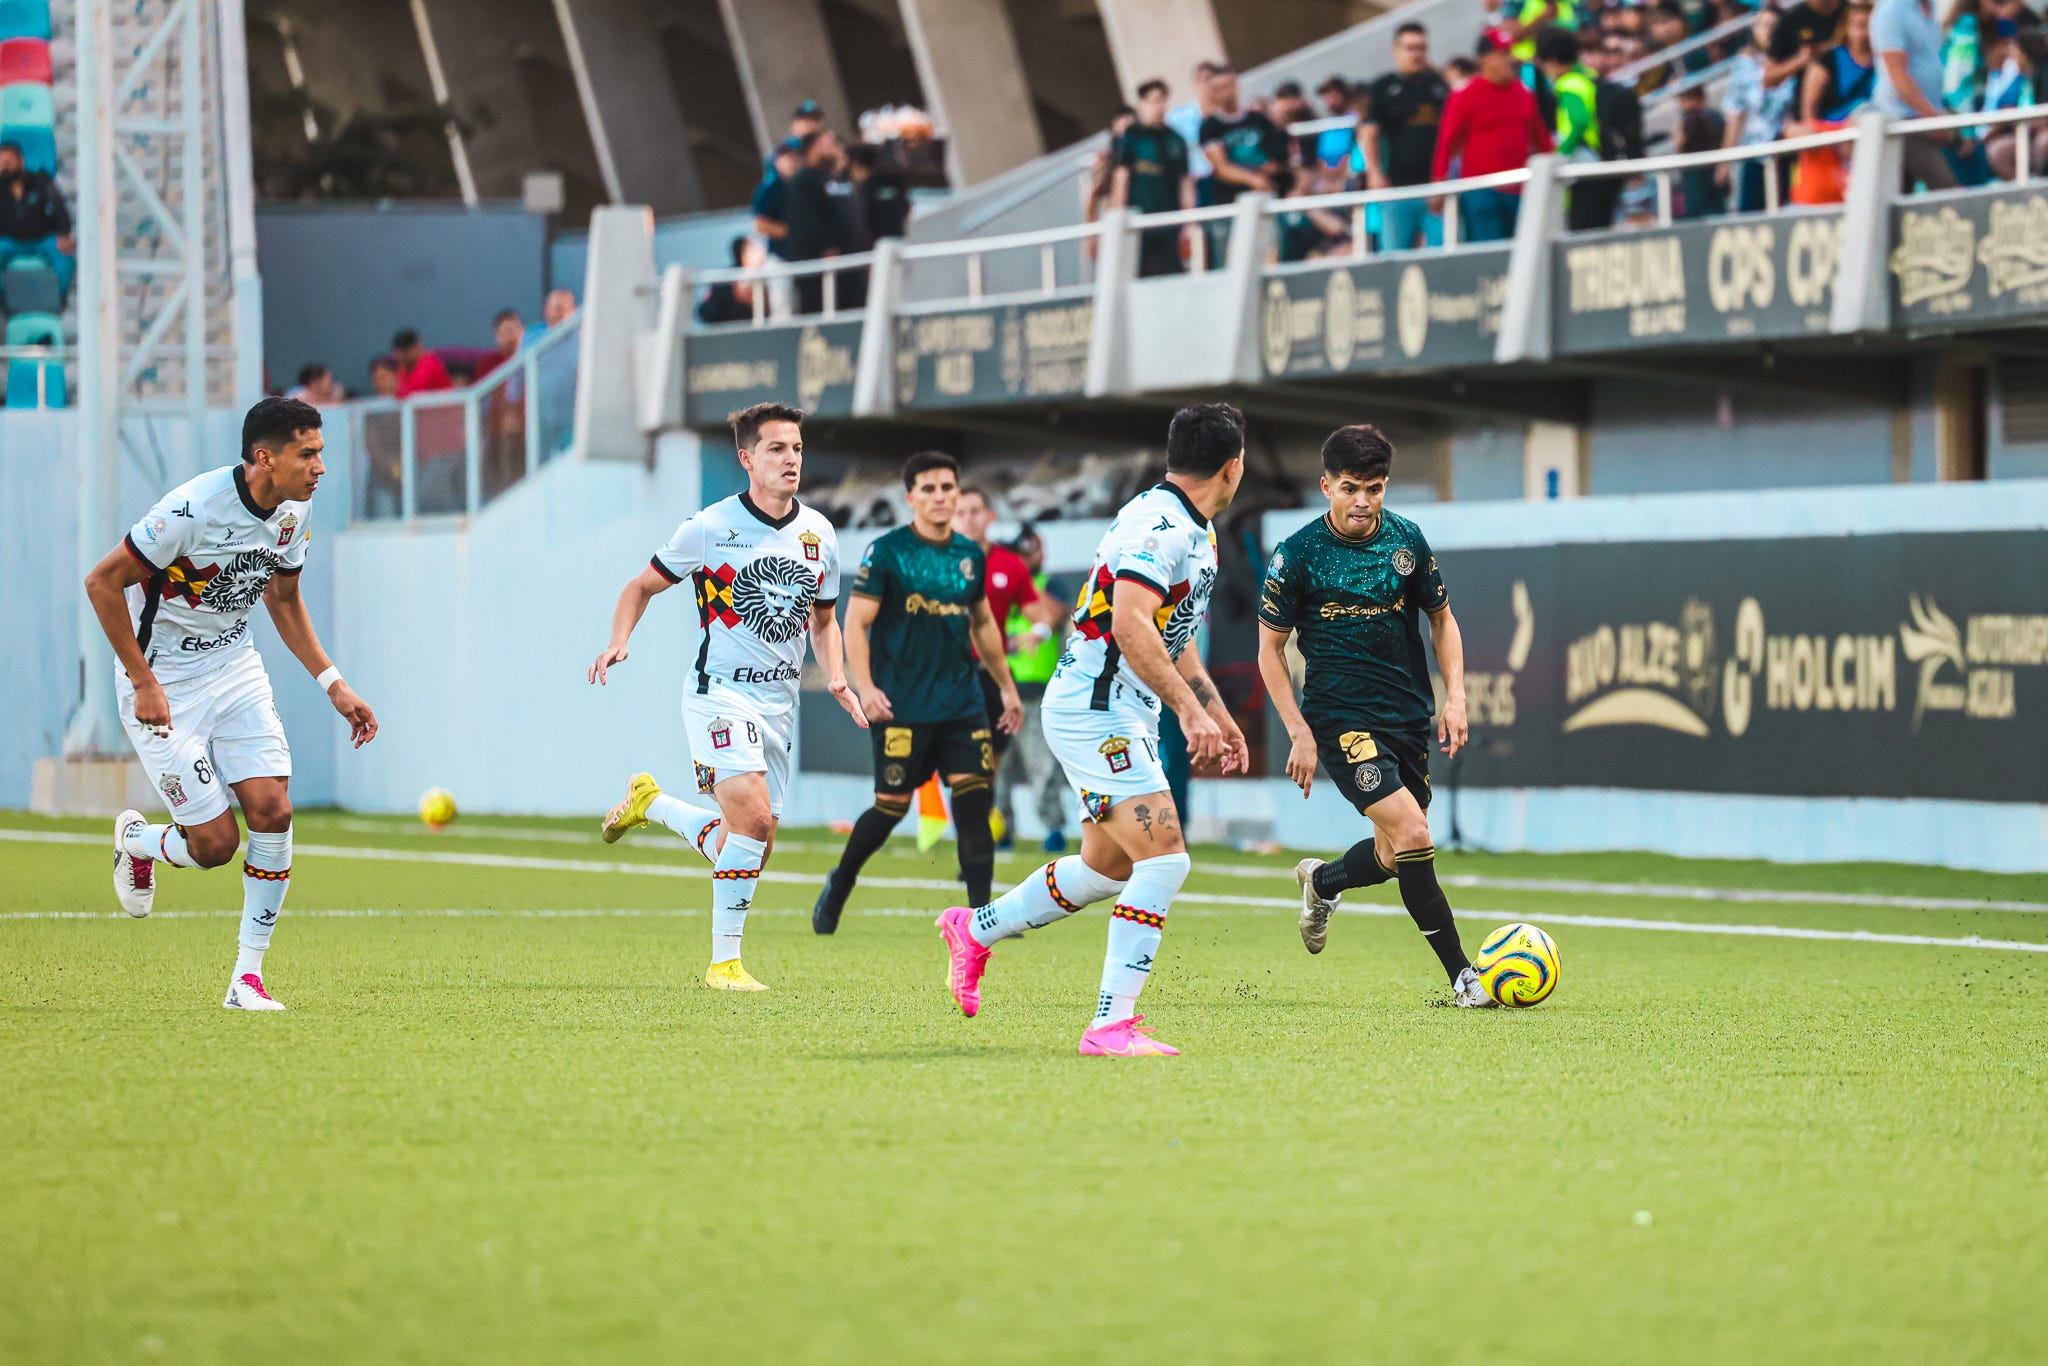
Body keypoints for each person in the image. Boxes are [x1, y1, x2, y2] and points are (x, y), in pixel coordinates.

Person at [936, 403, 1251, 1059]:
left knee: (1106, 868)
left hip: (1120, 708)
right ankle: (1110, 1025)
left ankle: (975, 929)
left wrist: (1214, 710)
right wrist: (1190, 715)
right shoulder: (1158, 527)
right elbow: (1132, 626)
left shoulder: (1196, 528)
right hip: (1096, 707)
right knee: (1165, 858)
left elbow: (1172, 633)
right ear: (1233, 466)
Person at [87, 398, 378, 1008]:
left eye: (321, 451)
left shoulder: (294, 512)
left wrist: (334, 684)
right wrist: (144, 682)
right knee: (215, 845)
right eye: (309, 453)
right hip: (164, 680)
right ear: (265, 458)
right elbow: (103, 582)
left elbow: (283, 599)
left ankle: (247, 977)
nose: (321, 466)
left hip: (235, 668)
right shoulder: (190, 510)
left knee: (273, 809)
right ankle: (138, 842)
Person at [591, 402, 866, 992]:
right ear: (746, 459)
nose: (790, 459)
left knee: (748, 844)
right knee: (754, 818)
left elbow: (824, 620)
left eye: (796, 448)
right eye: (776, 449)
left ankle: (652, 804)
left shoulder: (819, 533)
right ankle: (724, 965)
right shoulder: (711, 528)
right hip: (719, 694)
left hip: (780, 706)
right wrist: (618, 641)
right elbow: (642, 586)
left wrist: (837, 677)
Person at [1255, 424, 1491, 1008]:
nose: (1363, 502)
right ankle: (1463, 978)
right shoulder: (1298, 555)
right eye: (1351, 488)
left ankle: (1323, 881)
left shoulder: (1407, 541)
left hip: (1406, 716)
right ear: (1326, 486)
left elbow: (1442, 620)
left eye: (1376, 488)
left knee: (1393, 853)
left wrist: (1455, 696)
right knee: (1414, 831)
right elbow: (1269, 650)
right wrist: (1300, 732)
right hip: (1340, 720)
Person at [811, 453, 1023, 935]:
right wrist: (864, 687)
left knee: (974, 800)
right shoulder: (886, 553)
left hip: (962, 703)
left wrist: (1006, 688)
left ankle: (981, 921)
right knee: (891, 807)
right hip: (901, 702)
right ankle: (840, 882)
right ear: (911, 498)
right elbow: (857, 622)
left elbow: (984, 623)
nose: (940, 496)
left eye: (948, 487)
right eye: (928, 489)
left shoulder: (970, 556)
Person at [954, 483, 1062, 775]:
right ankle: (962, 817)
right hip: (950, 673)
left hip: (993, 674)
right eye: (960, 512)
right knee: (958, 760)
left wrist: (1039, 632)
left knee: (991, 762)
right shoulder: (935, 562)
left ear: (990, 516)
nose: (968, 519)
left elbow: (1042, 616)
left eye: (975, 511)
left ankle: (980, 816)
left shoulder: (1010, 564)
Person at [993, 528, 1071, 854]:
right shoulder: (999, 587)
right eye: (1019, 554)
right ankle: (1001, 831)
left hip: (1038, 693)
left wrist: (1019, 582)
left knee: (1043, 768)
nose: (1025, 560)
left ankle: (1053, 829)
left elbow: (1055, 615)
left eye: (1030, 553)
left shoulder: (1049, 586)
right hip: (1000, 689)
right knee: (997, 769)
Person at [1431, 34, 1553, 242]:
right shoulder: (1465, 95)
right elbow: (1447, 141)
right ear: (1484, 58)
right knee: (1488, 254)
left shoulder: (1524, 93)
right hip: (1480, 190)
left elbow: (1541, 140)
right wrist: (1439, 183)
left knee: (1520, 251)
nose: (1510, 59)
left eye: (1510, 53)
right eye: (1503, 53)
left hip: (1518, 189)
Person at [1362, 22, 1451, 251]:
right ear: (1396, 49)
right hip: (1397, 187)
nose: (1416, 54)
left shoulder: (1439, 85)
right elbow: (1369, 133)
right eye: (1410, 48)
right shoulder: (1383, 87)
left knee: (1441, 252)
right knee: (1394, 255)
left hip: (1435, 187)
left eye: (1421, 48)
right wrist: (1374, 174)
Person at [1538, 26, 1620, 231]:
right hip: (1600, 160)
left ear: (1554, 61)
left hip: (1586, 164)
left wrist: (1562, 151)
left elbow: (1579, 120)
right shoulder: (1586, 78)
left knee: (1584, 230)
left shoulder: (1568, 84)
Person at [1111, 78, 1195, 278]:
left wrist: (1189, 221)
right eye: (1152, 101)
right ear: (1142, 103)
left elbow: (1185, 182)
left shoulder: (1176, 139)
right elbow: (1121, 178)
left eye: (1161, 100)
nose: (1158, 106)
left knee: (1171, 272)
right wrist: (1118, 215)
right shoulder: (1131, 136)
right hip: (1138, 219)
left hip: (1169, 217)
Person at [1876, 0, 1963, 190]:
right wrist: (1933, 119)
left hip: (1924, 117)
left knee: (1901, 195)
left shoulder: (1929, 8)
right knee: (1947, 190)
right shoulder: (1891, 10)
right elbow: (1898, 76)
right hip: (1903, 121)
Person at [1721, 10, 1801, 210]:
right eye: (1762, 25)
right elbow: (1735, 113)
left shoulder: (1795, 60)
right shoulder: (1744, 65)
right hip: (1755, 153)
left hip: (1788, 152)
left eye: (1773, 25)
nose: (1768, 31)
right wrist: (1725, 161)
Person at [0, 140, 75, 299]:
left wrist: (64, 234)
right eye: (1, 164)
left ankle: (55, 299)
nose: (5, 167)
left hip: (42, 239)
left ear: (21, 162)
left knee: (64, 258)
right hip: (10, 241)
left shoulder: (41, 182)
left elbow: (58, 208)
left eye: (9, 162)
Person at [1805, 1, 1879, 121]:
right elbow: (1809, 109)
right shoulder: (1829, 59)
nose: (1864, 33)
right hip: (1832, 128)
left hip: (1869, 120)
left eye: (1869, 26)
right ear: (1847, 28)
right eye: (1859, 26)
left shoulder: (1882, 60)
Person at [699, 235, 767, 325]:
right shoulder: (724, 282)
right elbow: (707, 313)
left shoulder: (768, 281)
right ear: (743, 255)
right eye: (754, 249)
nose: (763, 252)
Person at [390, 328, 452, 396]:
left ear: (417, 347)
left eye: (404, 351)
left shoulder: (429, 364)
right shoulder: (403, 369)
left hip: (444, 405)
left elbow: (413, 394)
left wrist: (393, 391)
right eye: (397, 352)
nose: (400, 356)